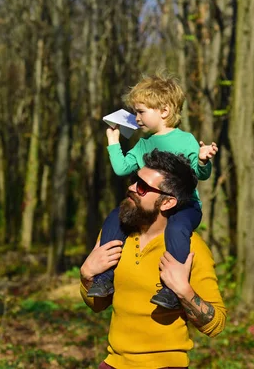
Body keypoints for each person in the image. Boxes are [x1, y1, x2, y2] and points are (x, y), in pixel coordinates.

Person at [80, 150, 226, 369]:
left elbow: (216, 325)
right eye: (133, 181)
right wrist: (86, 276)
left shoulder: (192, 249)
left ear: (167, 203)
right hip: (114, 362)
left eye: (142, 187)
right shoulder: (116, 237)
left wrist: (184, 291)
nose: (131, 188)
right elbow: (98, 305)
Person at [87, 72, 218, 310]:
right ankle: (104, 278)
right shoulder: (143, 144)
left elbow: (200, 175)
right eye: (135, 112)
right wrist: (113, 141)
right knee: (115, 218)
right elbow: (121, 168)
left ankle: (170, 289)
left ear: (164, 111)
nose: (136, 118)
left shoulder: (186, 140)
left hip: (185, 206)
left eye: (141, 111)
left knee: (177, 228)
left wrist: (202, 160)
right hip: (150, 206)